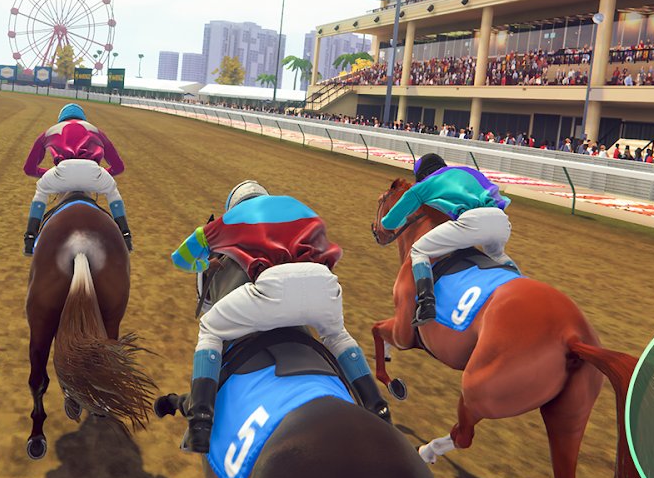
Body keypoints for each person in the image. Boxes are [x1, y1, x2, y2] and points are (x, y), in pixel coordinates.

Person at [169, 180, 388, 453]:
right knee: (337, 336)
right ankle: (378, 408)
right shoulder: (299, 207)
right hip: (324, 283)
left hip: (273, 289)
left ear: (232, 207)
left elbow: (180, 258)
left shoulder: (232, 219)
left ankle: (200, 420)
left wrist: (205, 263)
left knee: (210, 329)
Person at [379, 153, 512, 330]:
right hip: (501, 221)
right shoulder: (467, 171)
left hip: (473, 222)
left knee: (419, 250)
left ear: (422, 175)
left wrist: (394, 221)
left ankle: (426, 304)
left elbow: (389, 223)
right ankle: (518, 278)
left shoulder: (425, 184)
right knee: (496, 254)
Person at [22, 103, 129, 254]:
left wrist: (49, 173)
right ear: (83, 118)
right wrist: (99, 174)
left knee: (42, 191)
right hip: (93, 171)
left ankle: (30, 238)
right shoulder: (97, 131)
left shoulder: (49, 132)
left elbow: (29, 169)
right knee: (112, 192)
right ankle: (126, 236)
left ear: (61, 118)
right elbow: (118, 167)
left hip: (62, 172)